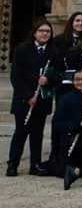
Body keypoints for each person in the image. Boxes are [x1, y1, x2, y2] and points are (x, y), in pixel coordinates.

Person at [8, 19, 60, 177]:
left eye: (48, 31)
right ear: (35, 33)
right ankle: (13, 164)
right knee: (21, 132)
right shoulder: (22, 49)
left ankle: (35, 165)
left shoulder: (54, 52)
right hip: (24, 99)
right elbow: (16, 76)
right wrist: (28, 96)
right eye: (42, 31)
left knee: (37, 133)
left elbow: (57, 75)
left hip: (42, 99)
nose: (45, 34)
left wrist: (48, 80)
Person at [48, 69, 82, 177]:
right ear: (73, 81)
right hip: (69, 139)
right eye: (77, 80)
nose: (80, 82)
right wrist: (73, 127)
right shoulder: (65, 98)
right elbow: (56, 122)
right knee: (62, 171)